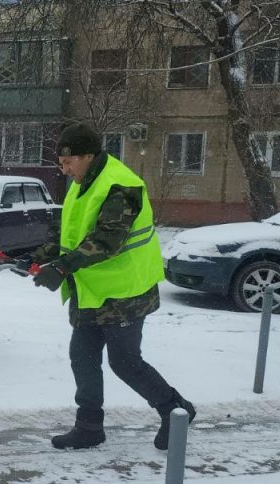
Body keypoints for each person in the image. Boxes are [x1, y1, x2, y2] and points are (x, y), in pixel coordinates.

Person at [30, 122, 195, 450]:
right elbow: (70, 229)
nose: (64, 170)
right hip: (91, 289)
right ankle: (89, 426)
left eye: (69, 162)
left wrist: (62, 267)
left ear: (88, 156)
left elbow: (108, 240)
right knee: (83, 355)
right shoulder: (83, 181)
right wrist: (41, 256)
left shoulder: (122, 185)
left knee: (126, 363)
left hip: (125, 293)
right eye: (61, 164)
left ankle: (176, 410)